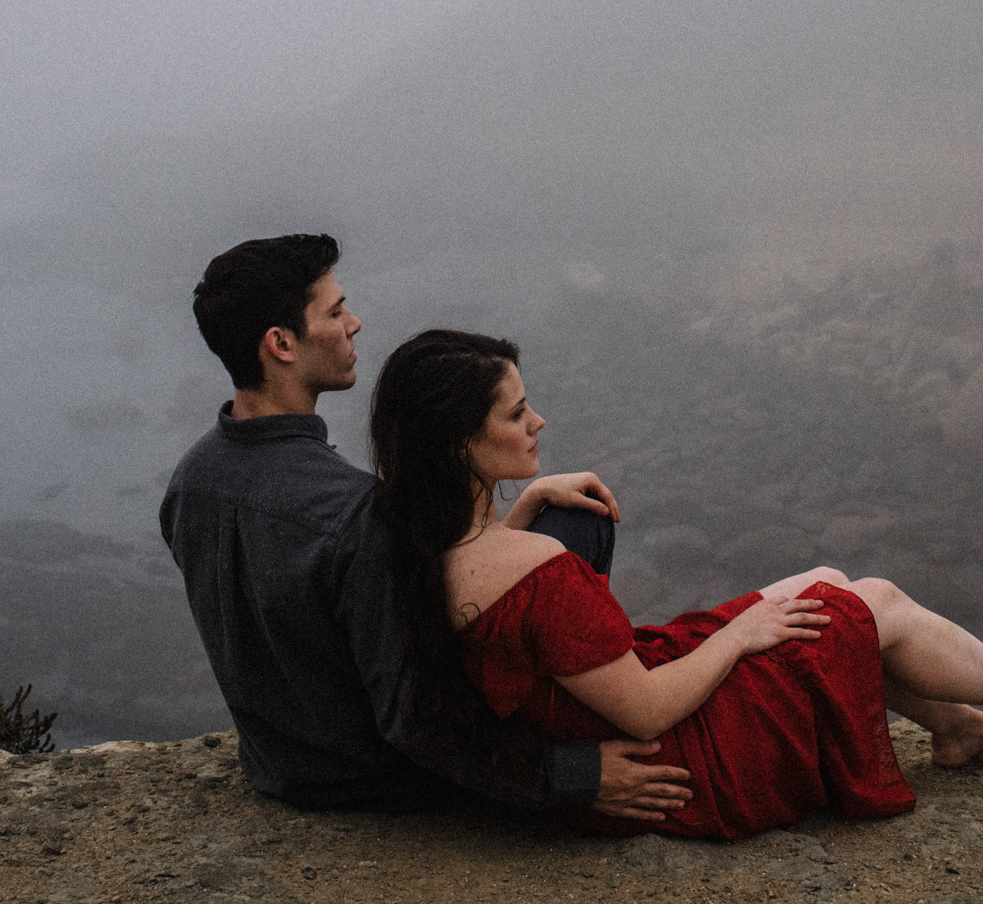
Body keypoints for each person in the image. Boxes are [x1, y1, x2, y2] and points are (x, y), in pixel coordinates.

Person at [370, 328, 983, 840]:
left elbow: (497, 603)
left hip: (585, 716)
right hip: (671, 765)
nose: (538, 420)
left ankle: (951, 726)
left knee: (824, 581)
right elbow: (649, 710)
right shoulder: (534, 572)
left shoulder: (421, 540)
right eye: (515, 412)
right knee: (869, 599)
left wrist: (523, 508)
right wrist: (740, 633)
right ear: (459, 444)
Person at [160, 234, 693, 820]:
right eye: (335, 312)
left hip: (279, 766)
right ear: (281, 344)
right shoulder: (352, 514)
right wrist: (575, 774)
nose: (354, 323)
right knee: (578, 530)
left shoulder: (190, 483)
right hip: (384, 783)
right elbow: (415, 717)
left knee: (554, 522)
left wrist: (519, 514)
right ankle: (598, 708)